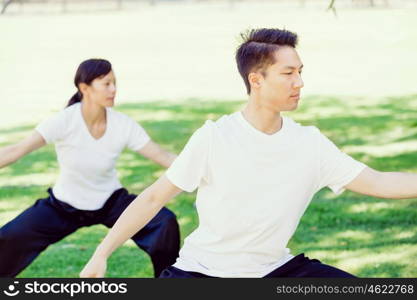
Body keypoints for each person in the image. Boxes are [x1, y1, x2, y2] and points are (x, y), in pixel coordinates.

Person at [80, 29, 417, 278]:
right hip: (203, 272)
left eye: (300, 72)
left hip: (276, 271)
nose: (299, 82)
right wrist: (101, 253)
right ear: (256, 80)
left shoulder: (310, 144)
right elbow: (154, 198)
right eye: (288, 73)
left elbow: (380, 182)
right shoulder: (215, 137)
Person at [0, 59, 180, 278]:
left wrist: (202, 168)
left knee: (164, 222)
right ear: (84, 88)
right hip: (63, 205)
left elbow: (161, 155)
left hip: (110, 201)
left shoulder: (123, 124)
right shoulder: (64, 121)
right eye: (106, 84)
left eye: (114, 83)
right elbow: (15, 151)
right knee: (11, 236)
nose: (113, 89)